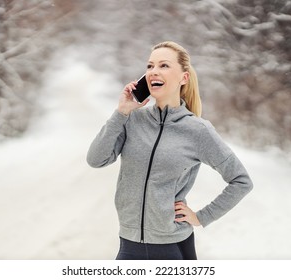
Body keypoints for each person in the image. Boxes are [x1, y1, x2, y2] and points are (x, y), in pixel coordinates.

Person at [86, 41, 253, 260]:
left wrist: (202, 216)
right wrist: (121, 112)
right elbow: (96, 159)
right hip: (129, 243)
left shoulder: (198, 130)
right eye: (150, 66)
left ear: (183, 78)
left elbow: (241, 181)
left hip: (170, 248)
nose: (154, 71)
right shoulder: (133, 119)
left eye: (164, 65)